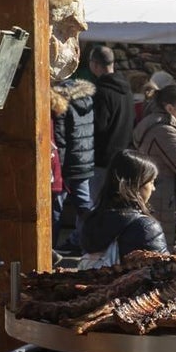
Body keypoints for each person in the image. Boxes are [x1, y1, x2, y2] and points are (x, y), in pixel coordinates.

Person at [132, 82, 176, 254]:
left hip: (170, 200)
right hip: (171, 204)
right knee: (172, 258)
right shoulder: (164, 132)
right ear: (170, 108)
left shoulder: (168, 128)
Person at [80, 149, 167, 262]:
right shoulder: (146, 227)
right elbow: (163, 271)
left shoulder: (92, 220)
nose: (153, 188)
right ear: (136, 184)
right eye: (151, 182)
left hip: (98, 278)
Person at [49, 75, 97, 254]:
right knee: (85, 206)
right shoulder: (86, 99)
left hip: (66, 163)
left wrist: (57, 169)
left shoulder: (60, 102)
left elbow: (60, 139)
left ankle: (49, 248)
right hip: (84, 161)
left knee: (55, 208)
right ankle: (91, 243)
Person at [89, 45, 134, 200]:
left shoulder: (101, 92)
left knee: (96, 206)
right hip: (122, 157)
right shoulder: (127, 90)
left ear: (94, 64)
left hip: (101, 159)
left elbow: (98, 126)